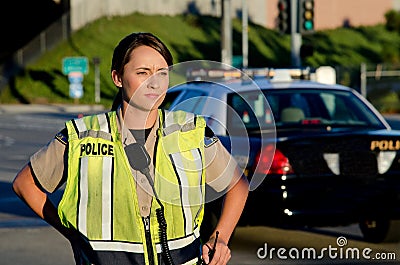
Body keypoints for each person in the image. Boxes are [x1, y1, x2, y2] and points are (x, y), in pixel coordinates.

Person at [12, 32, 249, 265]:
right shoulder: (81, 136)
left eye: (162, 73)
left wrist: (221, 238)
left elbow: (237, 184)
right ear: (117, 77)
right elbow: (25, 184)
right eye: (142, 73)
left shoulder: (189, 132)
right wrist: (74, 235)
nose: (154, 83)